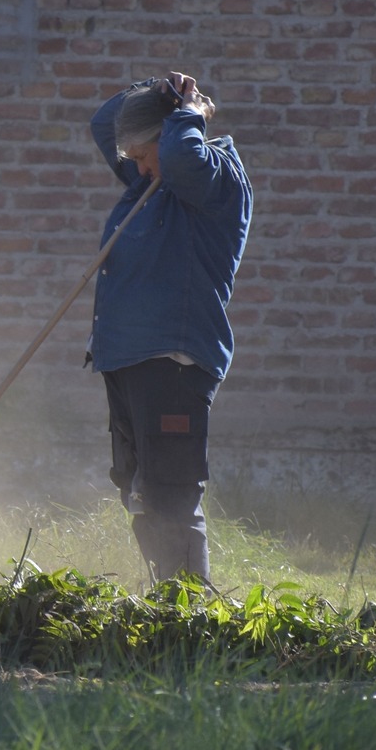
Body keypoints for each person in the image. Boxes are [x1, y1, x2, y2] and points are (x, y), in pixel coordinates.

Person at [86, 72, 252, 585]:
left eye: (142, 154)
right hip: (127, 357)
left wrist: (189, 111)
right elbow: (102, 124)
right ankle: (168, 595)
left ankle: (190, 614)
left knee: (170, 490)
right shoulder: (152, 181)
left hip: (173, 363)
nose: (135, 167)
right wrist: (157, 88)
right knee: (137, 487)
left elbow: (180, 156)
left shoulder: (212, 180)